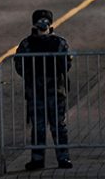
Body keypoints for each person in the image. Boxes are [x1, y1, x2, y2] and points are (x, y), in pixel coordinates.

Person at [13, 9, 73, 170]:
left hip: (55, 91)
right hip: (36, 92)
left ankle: (63, 158)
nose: (43, 23)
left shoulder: (59, 43)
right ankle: (37, 159)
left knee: (58, 125)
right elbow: (19, 66)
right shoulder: (27, 44)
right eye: (40, 20)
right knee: (38, 127)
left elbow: (66, 64)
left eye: (46, 20)